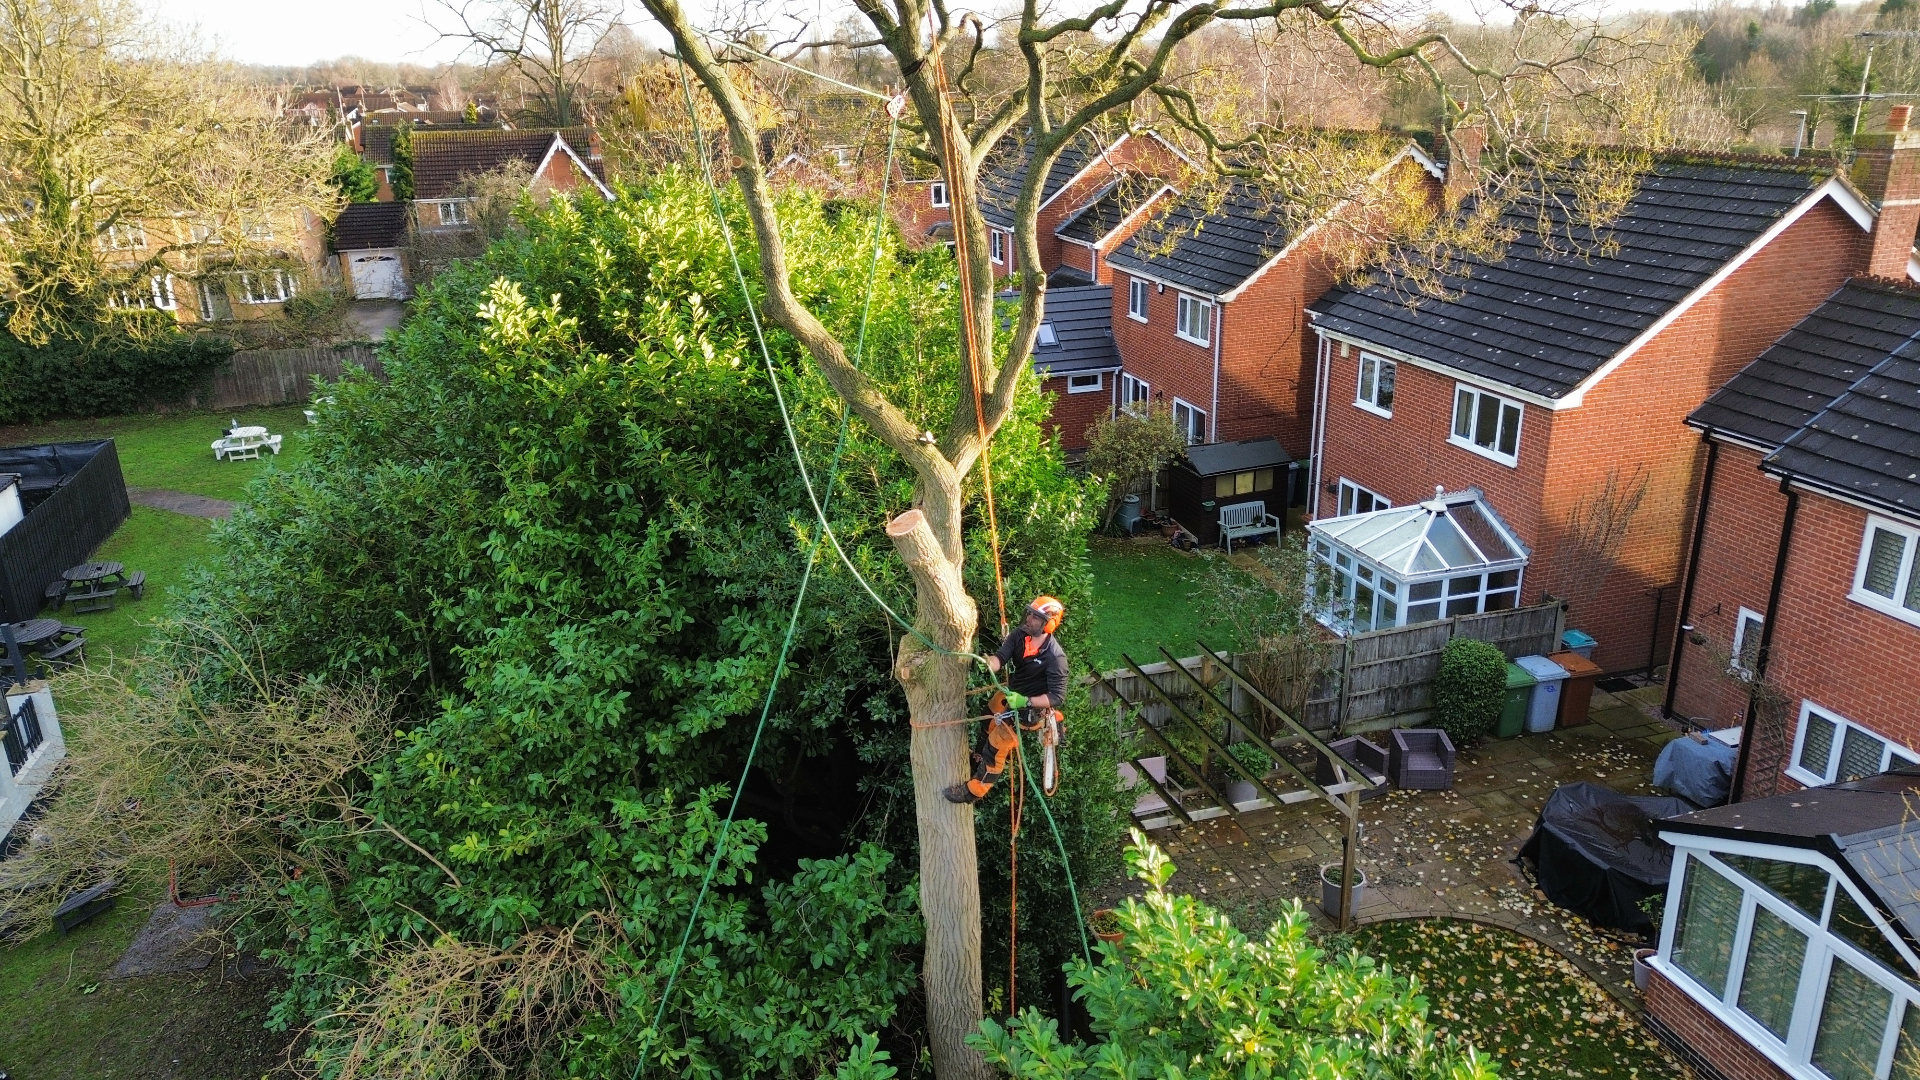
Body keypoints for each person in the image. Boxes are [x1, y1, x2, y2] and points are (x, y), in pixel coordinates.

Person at [944, 596, 1068, 804]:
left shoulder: (1055, 658)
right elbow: (1000, 659)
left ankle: (973, 792)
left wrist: (1025, 701)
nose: (1028, 618)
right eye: (1028, 613)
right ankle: (978, 758)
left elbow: (1057, 696)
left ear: (1049, 624)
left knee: (996, 745)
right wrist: (987, 662)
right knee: (989, 712)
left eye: (1035, 617)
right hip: (1012, 695)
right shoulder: (1020, 635)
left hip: (1030, 709)